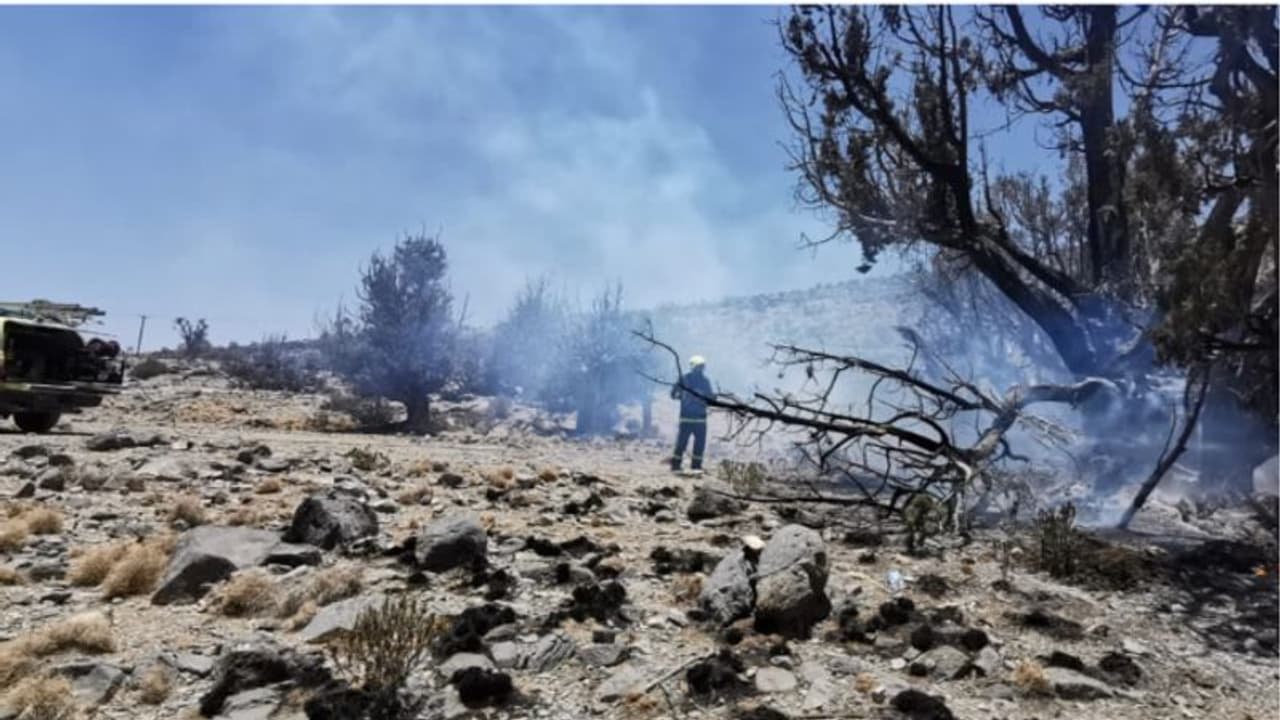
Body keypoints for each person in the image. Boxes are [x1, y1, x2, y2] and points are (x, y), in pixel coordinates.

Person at [670, 355, 712, 471]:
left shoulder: (703, 381)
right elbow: (673, 394)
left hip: (699, 419)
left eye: (702, 367)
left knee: (699, 445)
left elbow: (710, 398)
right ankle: (676, 465)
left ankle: (696, 466)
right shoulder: (684, 379)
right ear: (693, 366)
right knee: (681, 443)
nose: (700, 369)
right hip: (688, 419)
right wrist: (682, 396)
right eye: (699, 367)